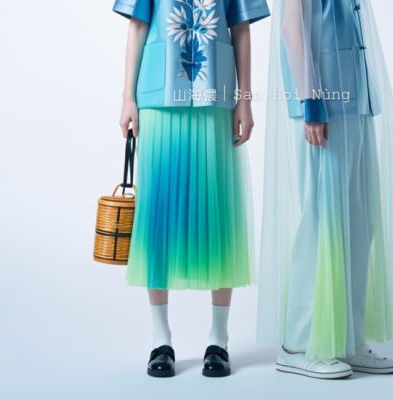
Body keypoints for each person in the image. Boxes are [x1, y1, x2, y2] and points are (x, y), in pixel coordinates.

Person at [258, 0, 393, 379]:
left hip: (354, 100)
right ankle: (296, 345)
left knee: (360, 224)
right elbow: (292, 28)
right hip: (323, 106)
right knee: (321, 223)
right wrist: (311, 101)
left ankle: (348, 339)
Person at [113, 0, 269, 378]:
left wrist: (245, 101)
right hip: (159, 95)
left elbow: (240, 27)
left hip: (216, 96)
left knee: (219, 215)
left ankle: (219, 339)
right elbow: (138, 23)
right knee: (157, 218)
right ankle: (160, 340)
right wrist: (128, 97)